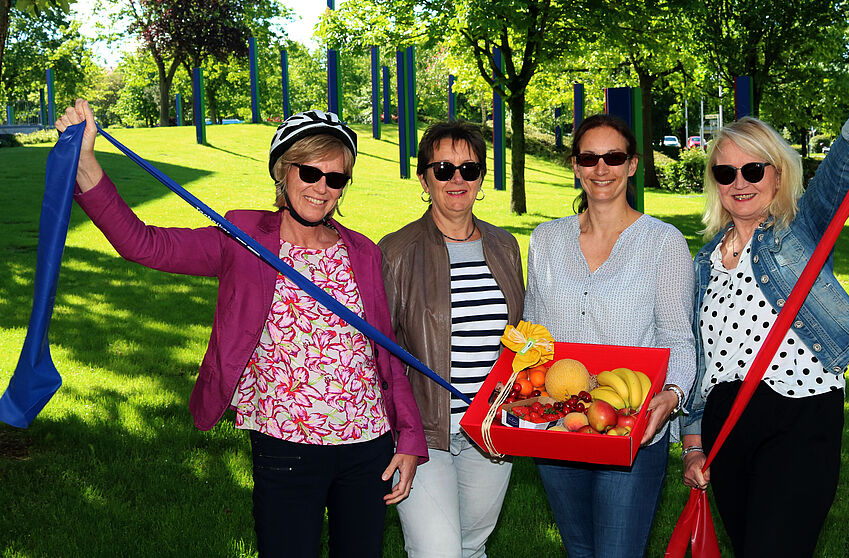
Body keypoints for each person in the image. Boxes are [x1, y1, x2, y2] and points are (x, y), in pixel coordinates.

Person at [54, 100, 429, 558]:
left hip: (368, 446)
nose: (322, 188)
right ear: (283, 173)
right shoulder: (244, 239)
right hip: (287, 445)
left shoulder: (364, 252)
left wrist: (408, 438)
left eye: (336, 178)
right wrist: (87, 161)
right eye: (309, 173)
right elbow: (143, 243)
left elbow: (386, 355)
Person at [680, 31, 849, 558]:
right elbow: (700, 360)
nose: (739, 182)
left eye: (753, 169)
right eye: (725, 171)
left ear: (778, 172)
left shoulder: (800, 229)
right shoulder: (703, 262)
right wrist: (694, 445)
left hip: (799, 417)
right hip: (726, 424)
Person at [523, 113, 695, 558]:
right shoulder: (545, 239)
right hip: (560, 427)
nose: (602, 168)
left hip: (632, 426)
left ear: (633, 164)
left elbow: (678, 334)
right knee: (580, 551)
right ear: (576, 166)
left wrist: (673, 393)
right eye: (589, 157)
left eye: (614, 157)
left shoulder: (663, 242)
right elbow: (534, 336)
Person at [379, 120, 525, 558]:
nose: (457, 179)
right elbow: (381, 355)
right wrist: (402, 435)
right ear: (424, 178)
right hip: (425, 434)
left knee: (471, 546)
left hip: (491, 428)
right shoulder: (397, 251)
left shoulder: (505, 246)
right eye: (443, 169)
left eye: (469, 168)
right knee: (437, 551)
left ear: (482, 177)